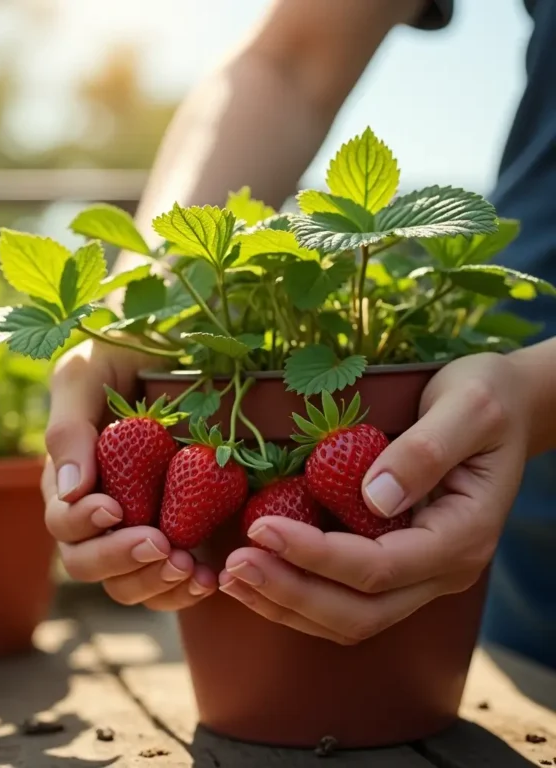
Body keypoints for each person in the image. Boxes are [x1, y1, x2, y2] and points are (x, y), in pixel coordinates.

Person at [42, 0, 556, 667]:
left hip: (495, 418)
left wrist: (538, 392)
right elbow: (289, 61)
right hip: (513, 544)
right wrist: (135, 317)